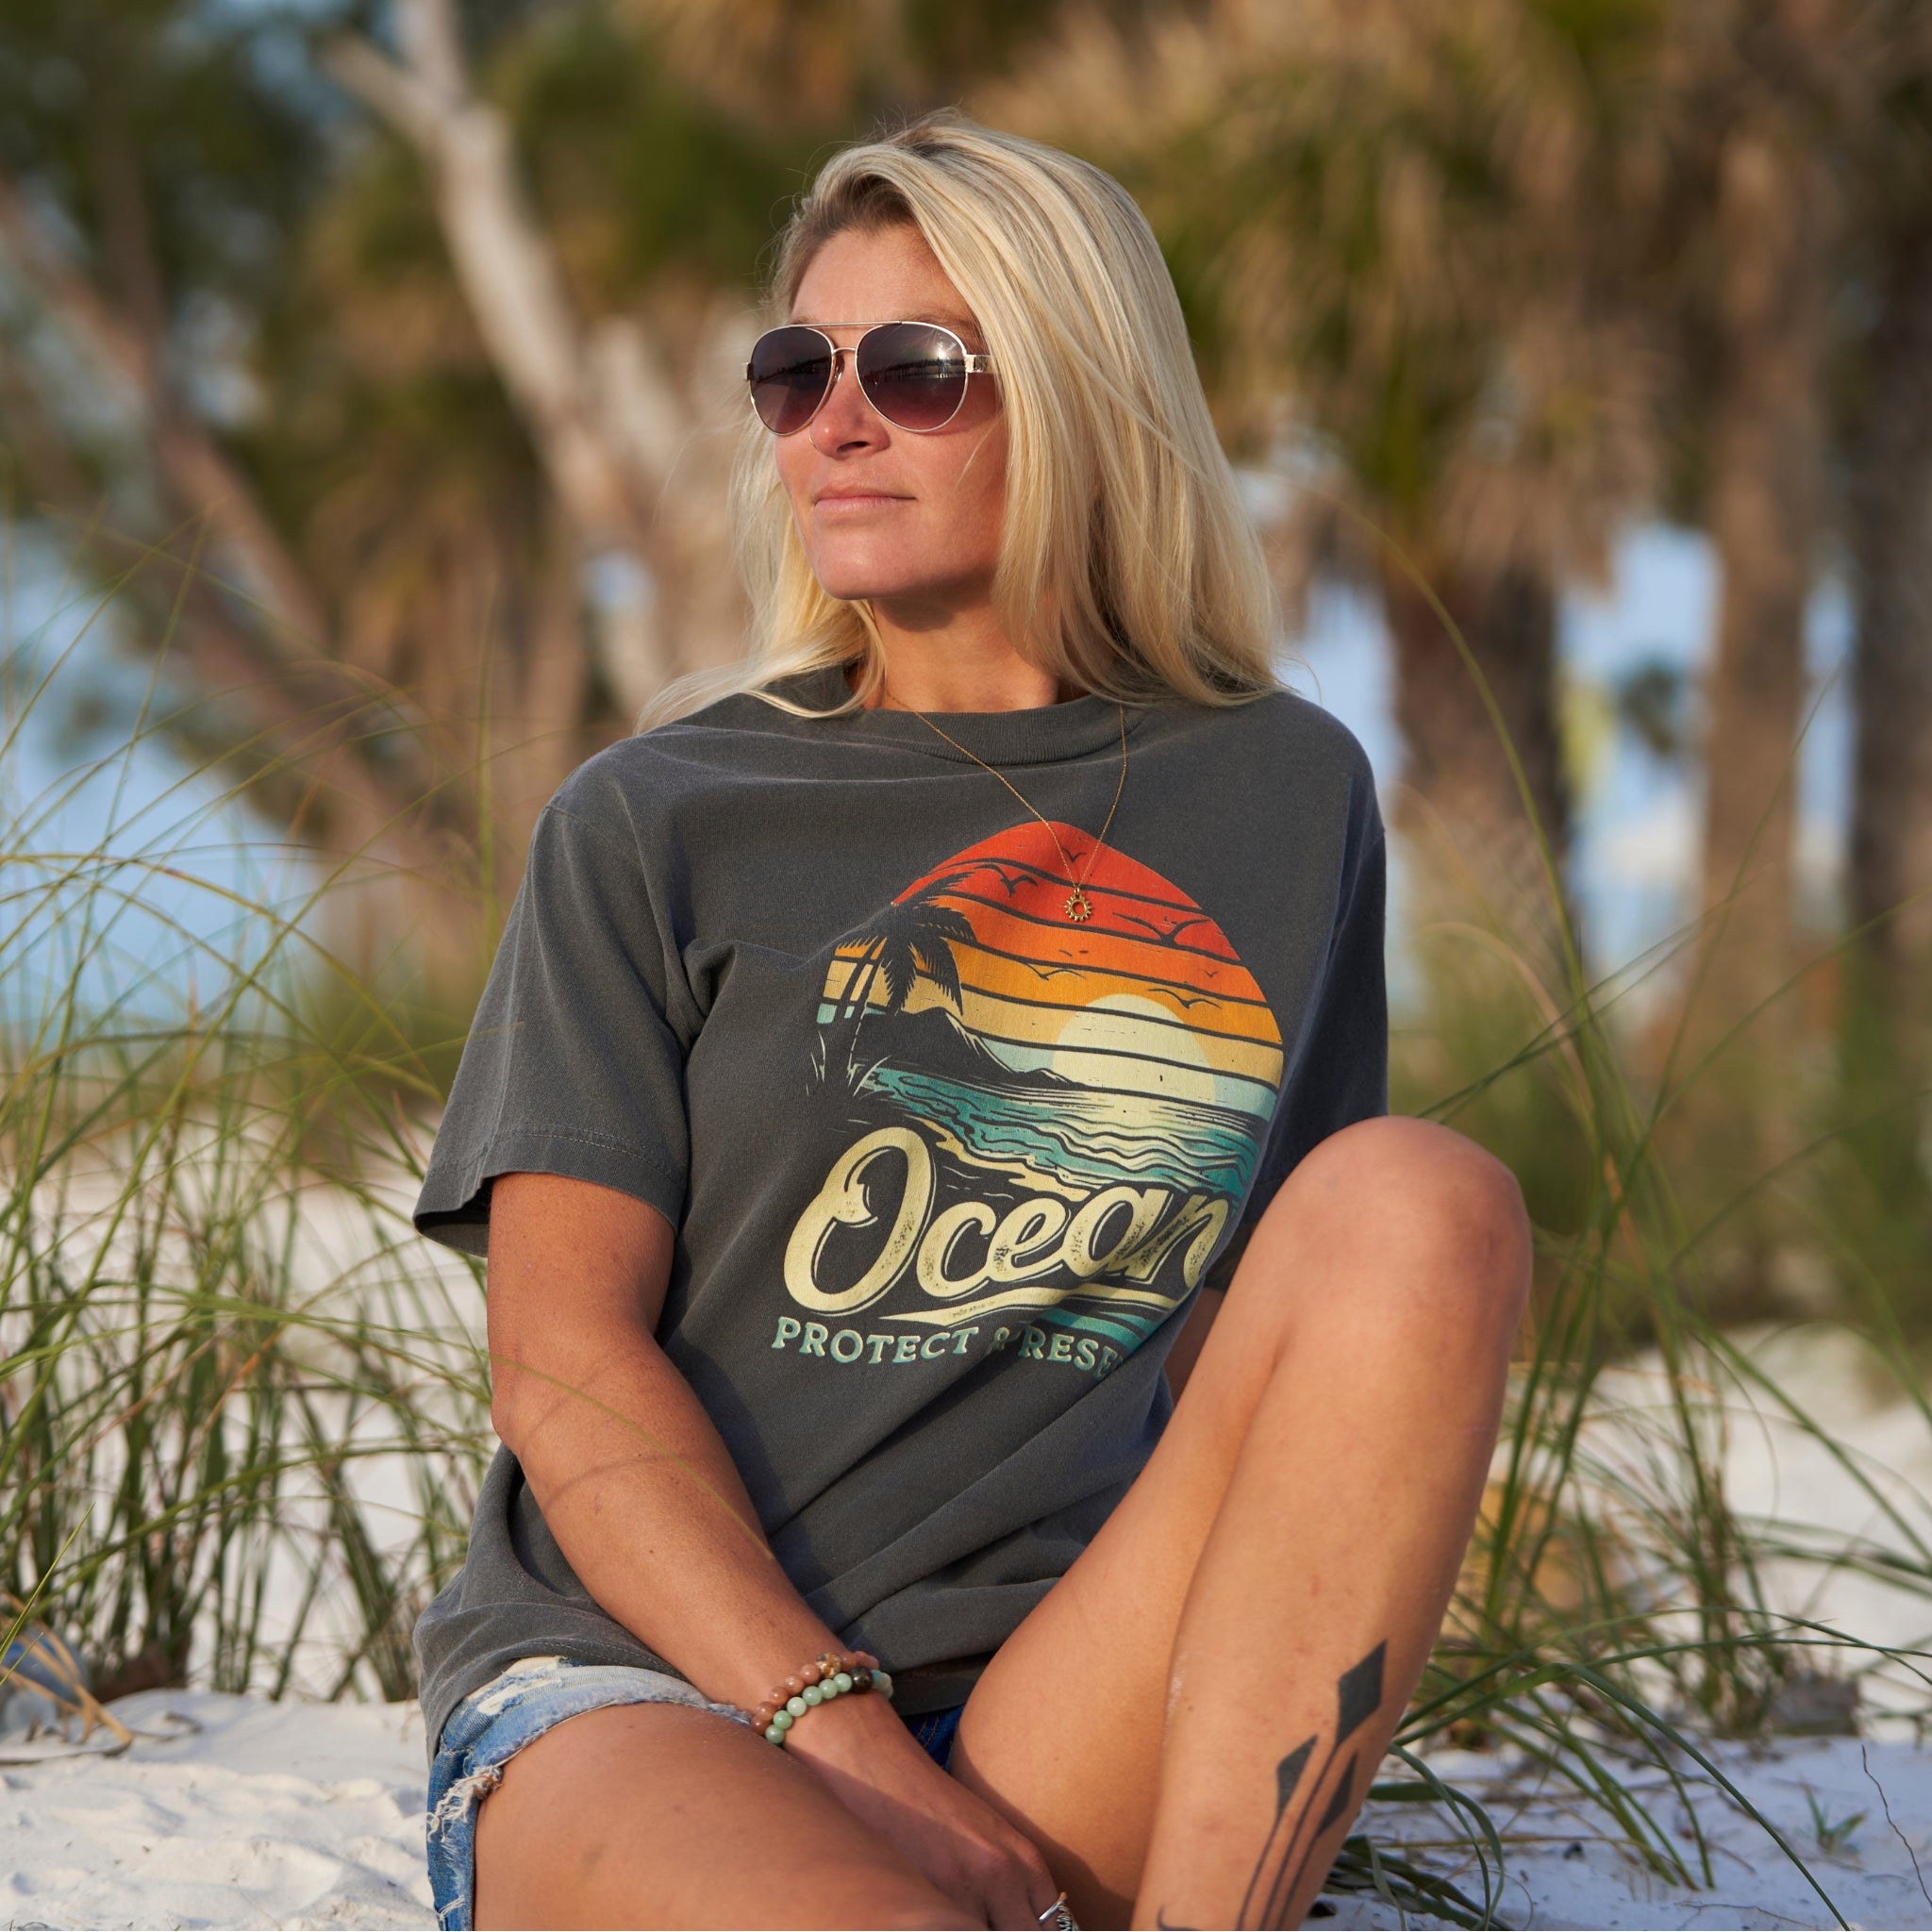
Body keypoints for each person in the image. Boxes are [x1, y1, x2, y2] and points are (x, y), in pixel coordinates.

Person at [410, 114, 1529, 1932]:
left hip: (1048, 1685)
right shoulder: (658, 817)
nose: (833, 422)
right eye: (796, 372)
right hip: (662, 1679)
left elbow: (1272, 1330)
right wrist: (837, 1732)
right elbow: (558, 1358)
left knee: (1424, 1199)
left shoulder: (1282, 793)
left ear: (1083, 397)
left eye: (915, 371)